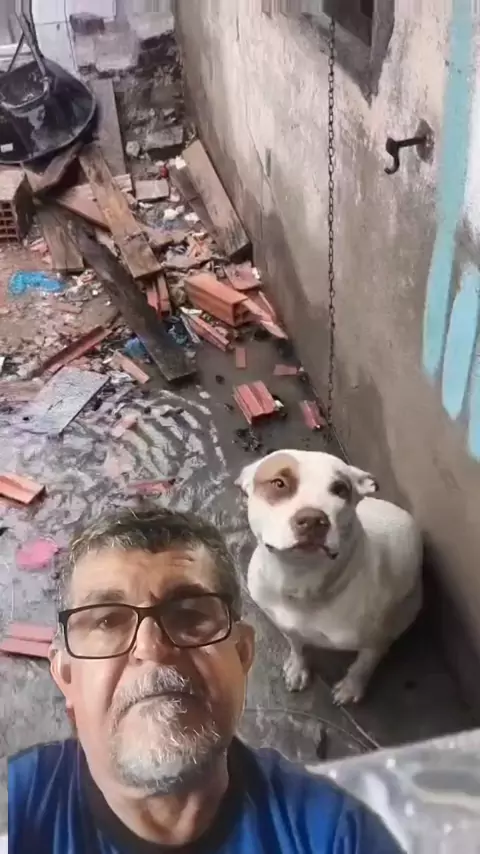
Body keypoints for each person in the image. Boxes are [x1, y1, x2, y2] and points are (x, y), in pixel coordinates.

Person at [9, 507, 403, 853]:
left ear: (243, 653)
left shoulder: (335, 834)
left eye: (190, 615)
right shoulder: (14, 812)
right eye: (108, 621)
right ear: (66, 674)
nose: (152, 648)